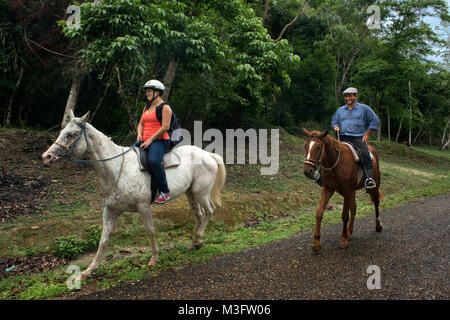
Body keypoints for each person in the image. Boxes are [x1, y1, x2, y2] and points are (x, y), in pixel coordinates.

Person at [331, 87, 380, 189]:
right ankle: (321, 177)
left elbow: (375, 121)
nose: (347, 98)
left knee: (366, 155)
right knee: (327, 151)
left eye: (350, 96)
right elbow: (334, 121)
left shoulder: (364, 109)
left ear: (356, 96)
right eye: (346, 96)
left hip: (357, 138)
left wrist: (366, 134)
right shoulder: (340, 110)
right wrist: (335, 126)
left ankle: (368, 179)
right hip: (342, 137)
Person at [137, 79, 172, 204]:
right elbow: (141, 124)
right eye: (146, 91)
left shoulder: (165, 107)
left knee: (154, 161)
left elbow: (165, 127)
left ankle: (164, 191)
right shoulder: (146, 107)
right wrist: (139, 135)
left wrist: (151, 140)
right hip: (145, 140)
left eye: (149, 91)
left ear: (158, 92)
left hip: (160, 140)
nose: (147, 93)